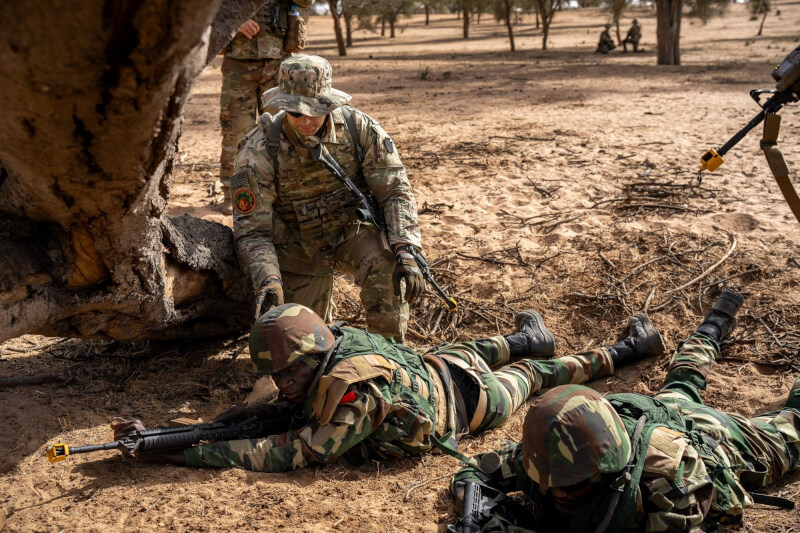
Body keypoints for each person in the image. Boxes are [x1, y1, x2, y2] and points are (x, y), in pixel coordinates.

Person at [110, 302, 666, 472]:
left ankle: (624, 352)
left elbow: (292, 450)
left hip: (468, 406)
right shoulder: (335, 343)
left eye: (288, 373)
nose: (281, 385)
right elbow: (268, 413)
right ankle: (528, 336)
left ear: (316, 355)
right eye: (276, 375)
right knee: (476, 348)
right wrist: (185, 430)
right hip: (433, 367)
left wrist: (191, 452)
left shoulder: (352, 395)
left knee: (531, 378)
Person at [452, 289, 800, 533]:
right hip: (662, 412)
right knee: (683, 380)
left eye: (573, 485)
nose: (559, 492)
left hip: (719, 442)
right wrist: (479, 507)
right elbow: (473, 472)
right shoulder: (556, 455)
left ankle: (716, 321)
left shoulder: (670, 486)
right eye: (552, 482)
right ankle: (715, 323)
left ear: (607, 468)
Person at [232, 54, 424, 341]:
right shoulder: (257, 151)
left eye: (316, 111)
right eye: (296, 113)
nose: (306, 121)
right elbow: (253, 232)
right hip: (297, 247)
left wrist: (405, 248)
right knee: (306, 343)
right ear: (284, 107)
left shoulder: (360, 129)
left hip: (352, 232)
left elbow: (395, 190)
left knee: (389, 267)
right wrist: (268, 279)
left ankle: (390, 356)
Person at [218, 0, 313, 215]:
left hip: (278, 62)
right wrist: (234, 22)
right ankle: (233, 194)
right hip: (238, 63)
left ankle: (284, 193)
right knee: (235, 131)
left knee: (282, 129)